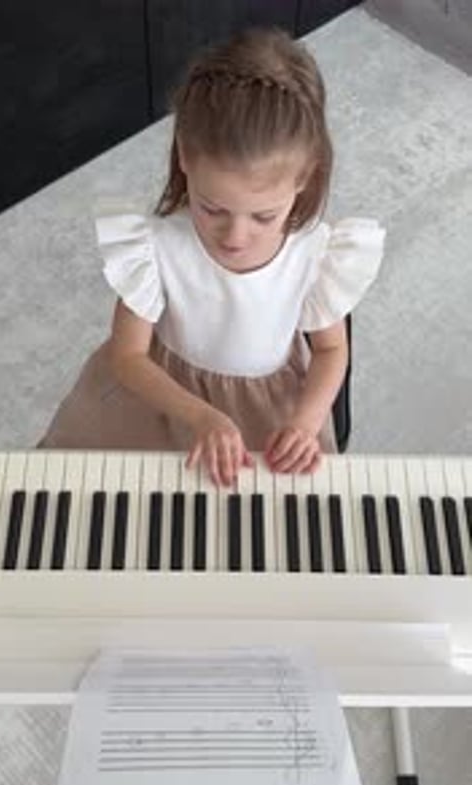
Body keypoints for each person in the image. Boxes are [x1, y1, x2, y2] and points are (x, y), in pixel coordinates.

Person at [38, 27, 385, 487]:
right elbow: (128, 357)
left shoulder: (314, 255)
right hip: (159, 407)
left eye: (263, 216)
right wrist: (200, 416)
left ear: (305, 176)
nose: (235, 236)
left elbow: (331, 349)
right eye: (212, 207)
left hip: (270, 413)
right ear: (184, 155)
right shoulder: (154, 248)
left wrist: (305, 421)